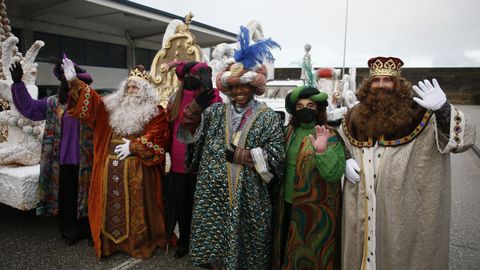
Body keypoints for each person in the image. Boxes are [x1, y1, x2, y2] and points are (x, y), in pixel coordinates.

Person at [340, 56, 475, 270]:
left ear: (398, 84)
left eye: (388, 80)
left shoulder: (421, 112)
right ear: (368, 85)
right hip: (362, 208)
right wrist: (345, 160)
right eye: (376, 80)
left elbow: (463, 141)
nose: (381, 85)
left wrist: (443, 110)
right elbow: (342, 144)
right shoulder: (353, 116)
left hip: (406, 214)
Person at [177, 26, 284, 269]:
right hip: (213, 195)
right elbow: (192, 135)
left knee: (248, 250)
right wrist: (194, 108)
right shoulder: (215, 112)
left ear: (254, 88)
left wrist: (243, 156)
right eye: (234, 87)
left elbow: (277, 156)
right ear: (228, 89)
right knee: (216, 248)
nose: (239, 92)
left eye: (244, 86)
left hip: (250, 196)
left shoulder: (267, 117)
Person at [64, 57, 169, 259]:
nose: (131, 91)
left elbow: (158, 135)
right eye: (128, 87)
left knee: (135, 208)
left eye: (135, 88)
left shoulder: (155, 112)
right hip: (109, 166)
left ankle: (135, 244)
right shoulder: (112, 107)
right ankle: (110, 244)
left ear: (145, 91)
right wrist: (75, 82)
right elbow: (93, 104)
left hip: (137, 170)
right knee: (109, 206)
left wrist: (133, 146)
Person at [9, 60, 93, 246]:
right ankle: (70, 232)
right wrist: (18, 84)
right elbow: (30, 108)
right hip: (60, 161)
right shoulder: (53, 102)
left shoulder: (89, 103)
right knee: (66, 198)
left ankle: (87, 230)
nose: (69, 83)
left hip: (87, 160)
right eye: (66, 79)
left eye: (72, 79)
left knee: (88, 195)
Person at [272, 85, 346, 269]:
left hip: (315, 211)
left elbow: (335, 173)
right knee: (286, 251)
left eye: (311, 106)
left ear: (318, 110)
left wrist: (322, 152)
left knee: (311, 255)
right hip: (287, 205)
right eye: (300, 106)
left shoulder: (330, 135)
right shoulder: (287, 133)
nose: (305, 109)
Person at [165, 61, 222, 259]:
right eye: (188, 75)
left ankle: (201, 242)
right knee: (182, 204)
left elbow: (217, 119)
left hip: (201, 161)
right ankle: (184, 242)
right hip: (179, 161)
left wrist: (209, 89)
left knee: (201, 205)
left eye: (196, 75)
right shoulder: (175, 98)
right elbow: (170, 126)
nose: (192, 78)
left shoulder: (211, 96)